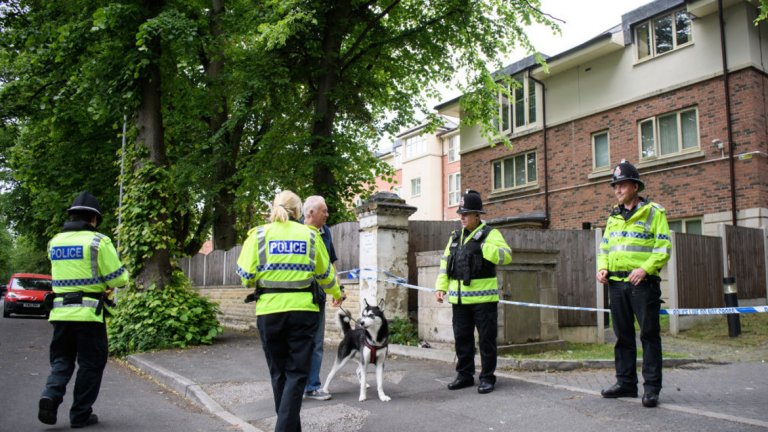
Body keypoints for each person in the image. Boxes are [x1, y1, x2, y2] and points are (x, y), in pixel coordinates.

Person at [236, 190, 343, 432]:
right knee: (296, 374)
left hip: (268, 312)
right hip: (303, 313)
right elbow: (326, 275)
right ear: (298, 212)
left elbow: (245, 277)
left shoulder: (258, 235)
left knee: (279, 373)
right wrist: (337, 294)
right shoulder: (310, 235)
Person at [38, 191, 129, 428]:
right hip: (89, 314)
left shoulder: (54, 242)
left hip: (60, 313)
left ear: (71, 215)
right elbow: (119, 278)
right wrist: (106, 284)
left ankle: (50, 395)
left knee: (62, 359)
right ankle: (80, 414)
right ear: (94, 219)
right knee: (91, 364)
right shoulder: (99, 241)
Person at [596, 160, 671, 408]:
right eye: (615, 186)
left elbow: (663, 248)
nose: (617, 190)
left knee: (649, 336)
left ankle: (651, 389)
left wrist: (645, 268)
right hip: (616, 285)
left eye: (621, 185)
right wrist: (602, 267)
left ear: (635, 186)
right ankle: (626, 383)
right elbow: (604, 248)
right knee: (623, 337)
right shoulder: (613, 216)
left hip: (643, 284)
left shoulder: (654, 212)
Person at [434, 189, 512, 394]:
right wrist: (440, 287)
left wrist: (487, 248)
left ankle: (487, 377)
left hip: (484, 300)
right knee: (462, 339)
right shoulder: (454, 237)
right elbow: (445, 265)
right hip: (459, 301)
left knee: (486, 340)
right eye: (460, 213)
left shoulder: (491, 234)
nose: (462, 217)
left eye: (466, 213)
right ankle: (465, 375)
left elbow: (507, 256)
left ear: (478, 215)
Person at [301, 195, 343, 401]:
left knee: (316, 342)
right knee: (299, 342)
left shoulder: (326, 232)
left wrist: (338, 290)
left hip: (318, 295)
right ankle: (295, 385)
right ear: (310, 212)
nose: (327, 214)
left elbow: (330, 263)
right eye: (323, 211)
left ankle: (312, 386)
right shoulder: (297, 231)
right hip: (299, 295)